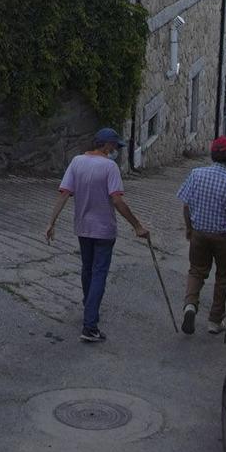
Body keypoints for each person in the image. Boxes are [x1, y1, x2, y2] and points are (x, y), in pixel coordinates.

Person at [44, 127, 150, 343]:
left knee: (87, 269)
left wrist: (51, 222)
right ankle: (90, 325)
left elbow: (64, 193)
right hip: (104, 230)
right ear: (106, 145)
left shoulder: (76, 162)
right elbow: (117, 201)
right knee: (99, 273)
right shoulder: (110, 167)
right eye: (115, 146)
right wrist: (137, 226)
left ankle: (89, 307)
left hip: (82, 227)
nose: (116, 151)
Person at [177, 136, 226, 335]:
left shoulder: (196, 174)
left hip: (199, 234)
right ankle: (215, 321)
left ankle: (190, 305)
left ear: (212, 154)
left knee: (196, 271)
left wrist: (189, 228)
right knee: (224, 276)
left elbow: (186, 205)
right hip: (222, 237)